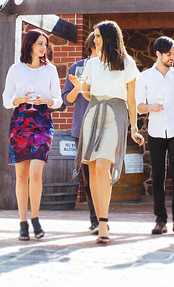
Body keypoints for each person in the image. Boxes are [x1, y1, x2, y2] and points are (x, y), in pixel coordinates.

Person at [69, 20, 144, 245]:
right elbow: (90, 95)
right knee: (92, 170)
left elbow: (131, 99)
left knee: (103, 166)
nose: (95, 40)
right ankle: (100, 221)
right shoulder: (92, 64)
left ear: (110, 38)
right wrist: (81, 86)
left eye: (99, 36)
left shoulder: (128, 65)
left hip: (115, 116)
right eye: (95, 36)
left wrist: (134, 127)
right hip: (92, 115)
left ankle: (103, 221)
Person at [2, 29, 62, 241]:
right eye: (39, 43)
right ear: (29, 45)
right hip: (20, 123)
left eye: (45, 44)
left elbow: (58, 100)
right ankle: (22, 222)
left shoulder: (50, 70)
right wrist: (19, 99)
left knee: (36, 173)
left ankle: (35, 217)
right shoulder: (15, 70)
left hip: (42, 122)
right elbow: (6, 100)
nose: (43, 47)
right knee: (21, 175)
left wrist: (46, 100)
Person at [136, 36, 174, 236]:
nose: (172, 57)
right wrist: (151, 107)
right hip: (156, 132)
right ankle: (160, 220)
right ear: (158, 54)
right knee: (158, 176)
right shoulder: (144, 77)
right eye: (169, 54)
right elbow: (139, 105)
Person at [61, 31, 99, 234]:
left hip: (104, 126)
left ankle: (103, 215)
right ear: (93, 44)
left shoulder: (109, 67)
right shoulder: (77, 67)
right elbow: (67, 99)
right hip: (82, 129)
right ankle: (95, 219)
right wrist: (78, 87)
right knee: (87, 175)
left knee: (101, 173)